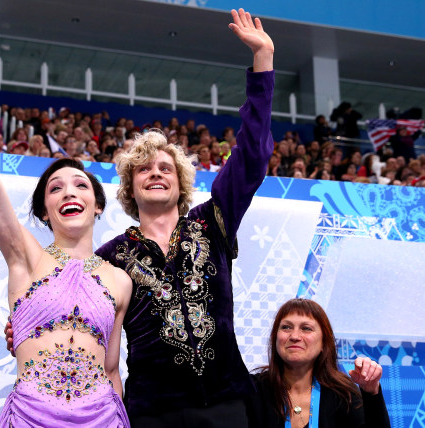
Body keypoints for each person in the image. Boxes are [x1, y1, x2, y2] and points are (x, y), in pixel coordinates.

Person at [96, 9, 274, 426]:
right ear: (129, 187)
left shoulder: (212, 220)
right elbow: (79, 319)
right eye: (144, 169)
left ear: (181, 182)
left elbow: (251, 156)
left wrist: (262, 61)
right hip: (152, 412)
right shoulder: (110, 257)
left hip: (229, 403)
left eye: (165, 168)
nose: (155, 172)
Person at [0, 41, 132, 427]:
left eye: (80, 186)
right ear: (43, 211)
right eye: (56, 188)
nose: (69, 191)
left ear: (98, 205)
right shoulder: (25, 255)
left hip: (103, 419)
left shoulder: (120, 280)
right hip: (31, 419)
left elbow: (112, 369)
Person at [249, 298, 390, 427]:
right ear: (275, 338)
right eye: (286, 327)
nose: (294, 336)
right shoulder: (252, 390)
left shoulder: (343, 395)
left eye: (306, 328)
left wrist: (371, 392)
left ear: (324, 343)